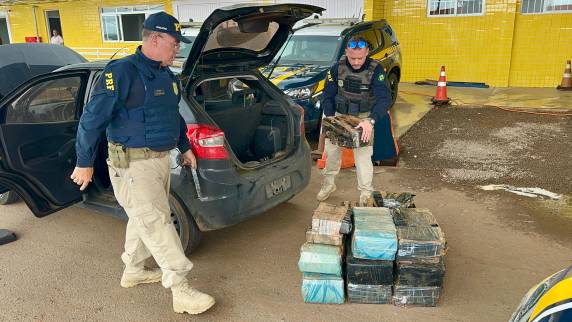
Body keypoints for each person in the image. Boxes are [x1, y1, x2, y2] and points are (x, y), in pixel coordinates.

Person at [70, 12, 215, 315]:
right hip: (132, 165)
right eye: (174, 44)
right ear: (154, 39)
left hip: (159, 161)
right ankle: (181, 288)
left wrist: (185, 146)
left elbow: (172, 115)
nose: (177, 50)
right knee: (156, 222)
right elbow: (91, 120)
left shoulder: (165, 74)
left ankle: (133, 270)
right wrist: (84, 161)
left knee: (144, 217)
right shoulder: (121, 72)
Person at [317, 36, 392, 205]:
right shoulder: (337, 69)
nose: (357, 62)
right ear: (346, 52)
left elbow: (384, 99)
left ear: (367, 53)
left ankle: (366, 193)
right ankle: (328, 184)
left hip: (363, 118)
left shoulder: (376, 70)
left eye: (360, 58)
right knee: (331, 153)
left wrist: (371, 121)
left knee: (363, 157)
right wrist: (330, 118)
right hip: (339, 115)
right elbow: (327, 95)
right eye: (352, 58)